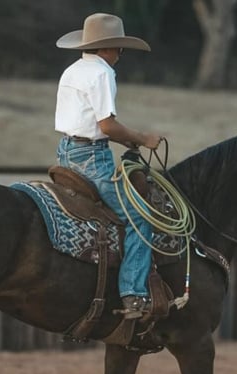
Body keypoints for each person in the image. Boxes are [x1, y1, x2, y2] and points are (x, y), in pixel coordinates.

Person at [54, 13, 163, 319]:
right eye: (119, 48)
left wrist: (123, 140)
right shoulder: (102, 73)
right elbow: (107, 125)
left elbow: (89, 123)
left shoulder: (73, 70)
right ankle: (134, 295)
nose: (119, 55)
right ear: (105, 48)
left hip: (66, 153)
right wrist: (142, 139)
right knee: (140, 218)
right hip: (92, 159)